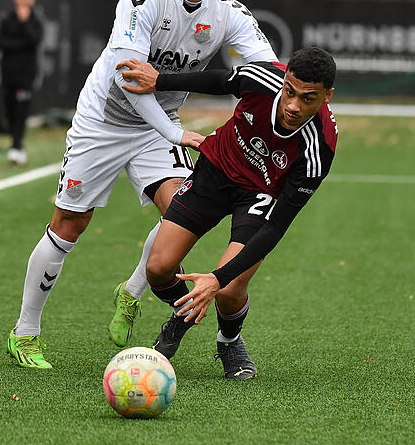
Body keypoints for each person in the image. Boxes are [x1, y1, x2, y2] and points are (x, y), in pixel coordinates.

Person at [6, 0, 277, 370]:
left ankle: (131, 292)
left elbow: (269, 73)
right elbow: (129, 77)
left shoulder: (228, 12)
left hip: (158, 125)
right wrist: (175, 132)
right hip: (104, 122)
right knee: (70, 225)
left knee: (182, 213)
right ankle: (25, 333)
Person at [117, 46, 337, 379]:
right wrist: (159, 80)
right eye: (290, 92)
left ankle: (229, 340)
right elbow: (219, 80)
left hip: (261, 195)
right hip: (215, 171)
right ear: (284, 79)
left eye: (308, 99)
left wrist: (217, 279)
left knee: (230, 289)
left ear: (327, 96)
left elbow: (276, 227)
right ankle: (182, 314)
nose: (293, 106)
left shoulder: (319, 147)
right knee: (158, 268)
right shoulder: (261, 78)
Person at [0, 0, 43, 165]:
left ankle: (17, 146)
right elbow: (1, 42)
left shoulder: (36, 21)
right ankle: (14, 143)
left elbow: (34, 41)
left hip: (26, 75)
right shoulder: (6, 19)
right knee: (9, 109)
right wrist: (20, 44)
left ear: (32, 1)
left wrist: (24, 24)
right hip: (8, 73)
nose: (24, 0)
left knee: (22, 110)